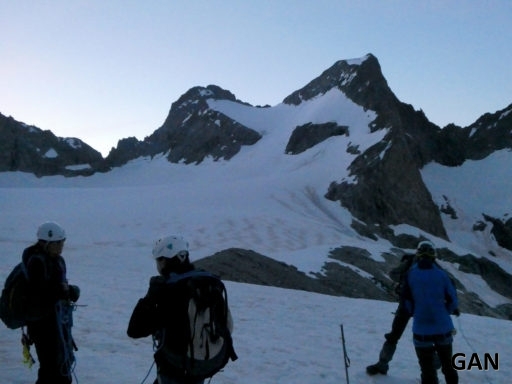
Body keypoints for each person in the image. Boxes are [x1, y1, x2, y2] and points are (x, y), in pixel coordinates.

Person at [127, 234, 234, 384]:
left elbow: (135, 330)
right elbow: (227, 325)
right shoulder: (206, 284)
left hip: (173, 369)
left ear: (164, 260)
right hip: (200, 367)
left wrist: (149, 297)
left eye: (159, 259)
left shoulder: (167, 290)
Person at [25, 221, 80, 384]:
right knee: (51, 369)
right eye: (58, 243)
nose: (62, 246)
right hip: (43, 325)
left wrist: (67, 291)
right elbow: (40, 293)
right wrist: (65, 291)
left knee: (59, 365)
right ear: (47, 242)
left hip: (57, 322)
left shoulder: (56, 260)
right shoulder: (36, 262)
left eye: (62, 242)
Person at [401, 240, 459, 384]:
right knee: (448, 366)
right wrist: (446, 311)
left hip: (421, 328)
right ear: (434, 255)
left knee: (427, 370)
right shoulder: (442, 275)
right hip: (443, 326)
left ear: (418, 254)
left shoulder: (410, 274)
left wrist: (416, 312)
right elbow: (453, 299)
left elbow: (406, 302)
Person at [366, 252, 416, 375]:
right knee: (429, 338)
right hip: (425, 307)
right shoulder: (433, 265)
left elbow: (393, 274)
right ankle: (431, 371)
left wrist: (404, 281)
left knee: (393, 336)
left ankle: (382, 364)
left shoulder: (410, 261)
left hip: (405, 304)